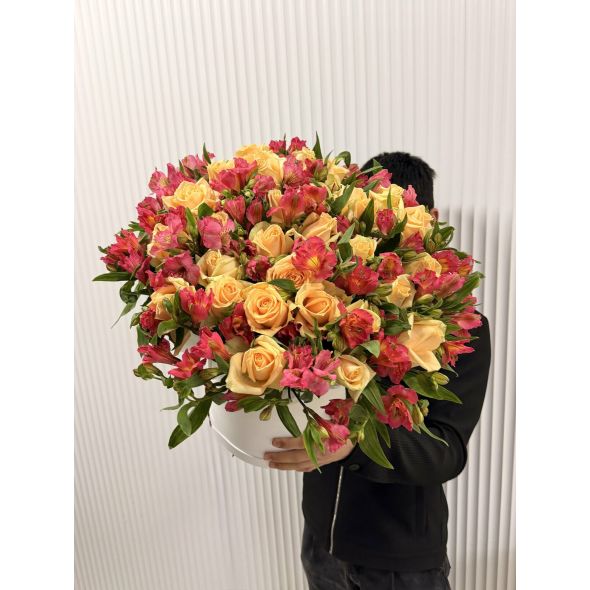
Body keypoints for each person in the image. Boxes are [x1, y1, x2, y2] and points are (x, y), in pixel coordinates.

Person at [263, 151, 492, 590]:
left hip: (399, 558)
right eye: (364, 215)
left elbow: (447, 451)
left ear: (429, 221)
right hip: (320, 539)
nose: (379, 231)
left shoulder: (461, 327)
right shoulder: (321, 301)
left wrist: (356, 444)